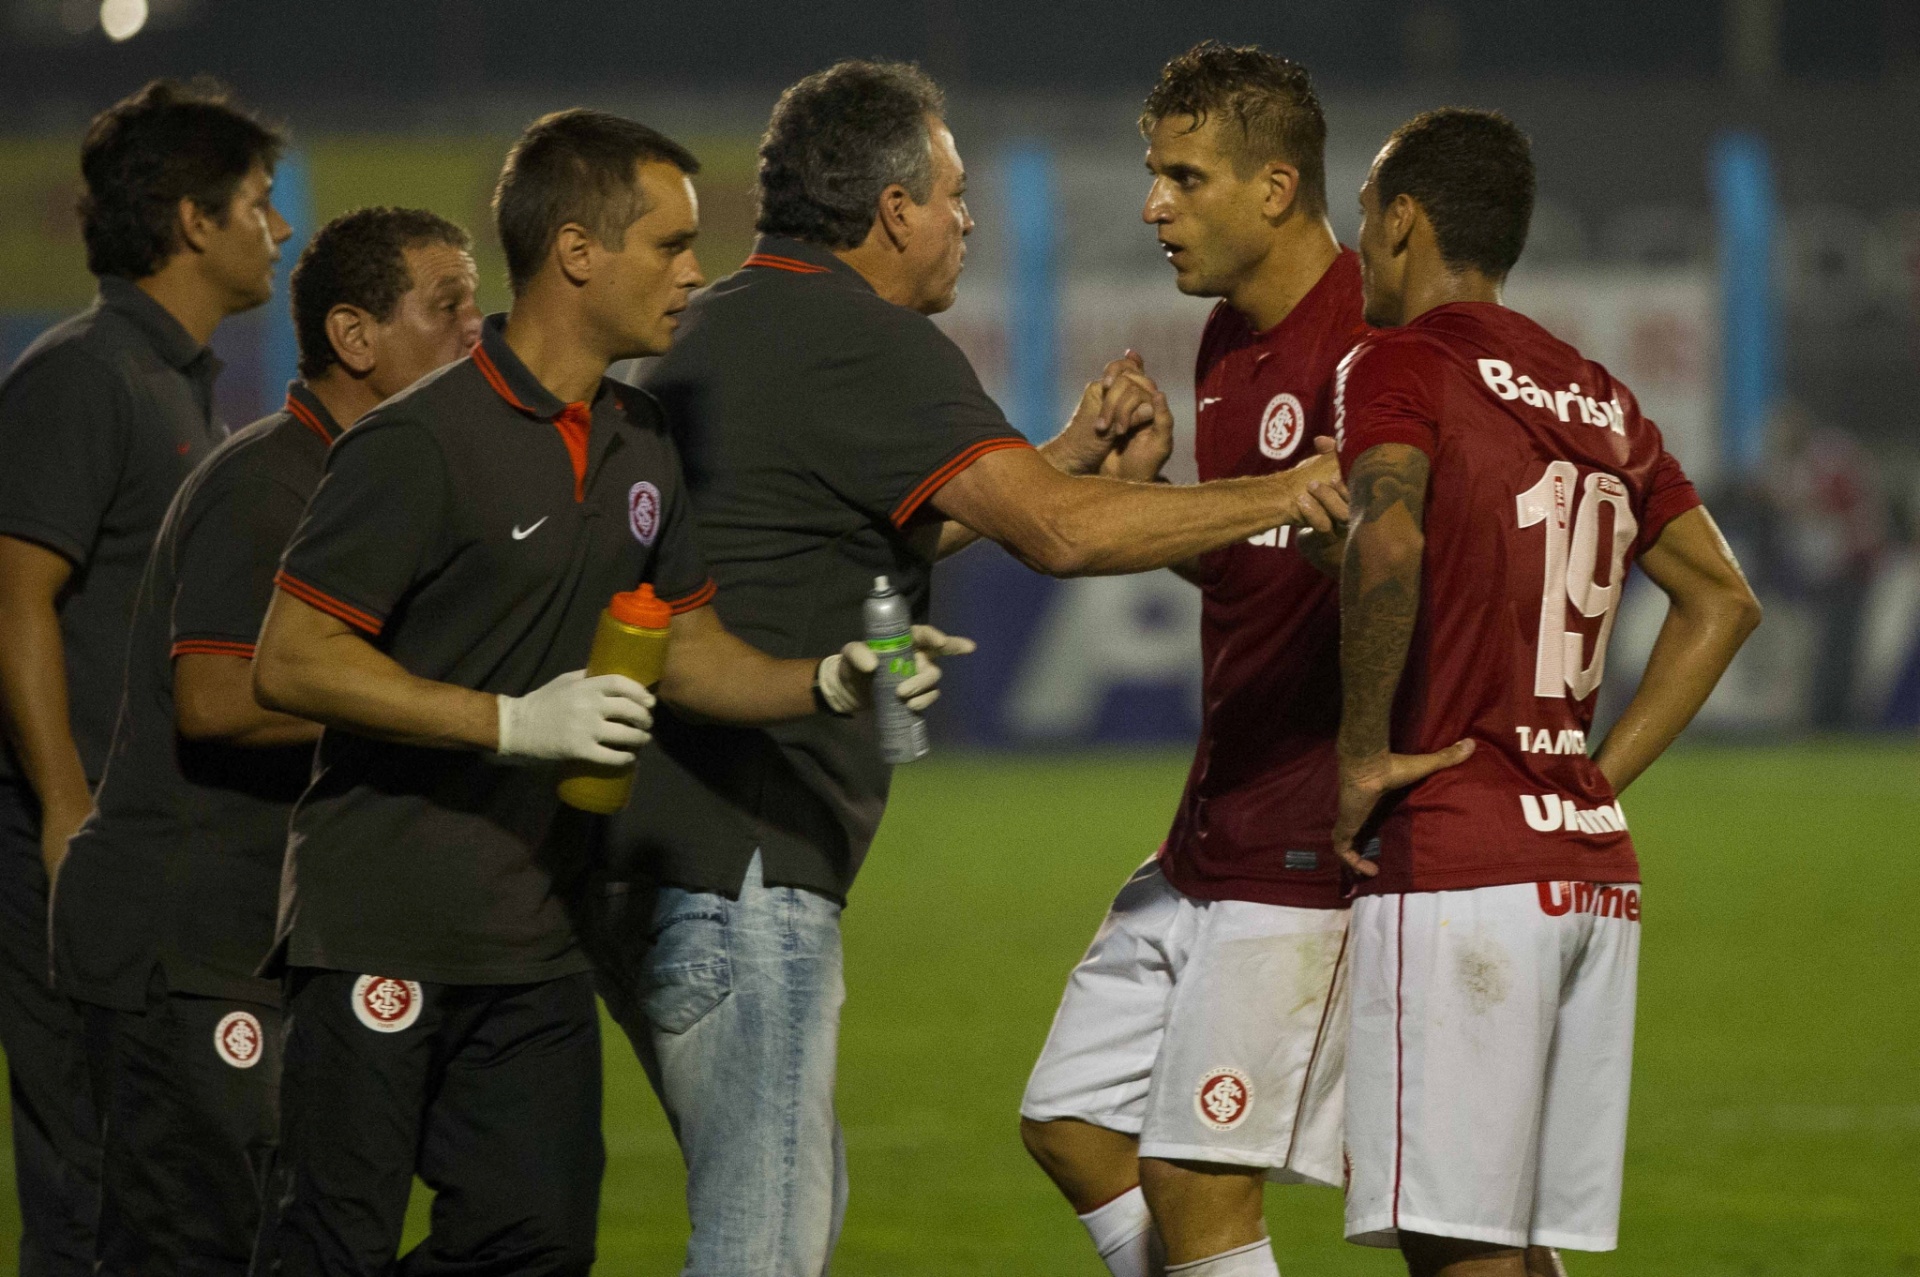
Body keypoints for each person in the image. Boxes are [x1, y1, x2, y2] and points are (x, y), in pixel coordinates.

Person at [603, 58, 1348, 1277]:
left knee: (860, 1187)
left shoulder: (731, 320)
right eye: (952, 194)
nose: (968, 219)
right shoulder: (861, 340)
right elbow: (1054, 531)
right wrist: (1283, 487)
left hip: (649, 846)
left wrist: (1065, 457)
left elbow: (872, 516)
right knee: (761, 1249)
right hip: (744, 860)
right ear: (895, 210)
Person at [248, 109, 946, 1276]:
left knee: (532, 1239)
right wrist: (512, 722)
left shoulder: (640, 437)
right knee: (333, 1247)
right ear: (577, 252)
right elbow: (294, 657)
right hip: (383, 914)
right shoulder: (419, 441)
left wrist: (826, 677)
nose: (694, 271)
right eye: (670, 245)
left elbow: (695, 646)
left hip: (533, 928)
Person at [1329, 108, 1761, 1277]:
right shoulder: (1603, 397)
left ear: (1405, 219)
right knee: (1518, 1241)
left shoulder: (1402, 363)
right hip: (1588, 873)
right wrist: (1583, 784)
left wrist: (1360, 753)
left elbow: (1385, 535)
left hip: (1462, 868)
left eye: (1364, 213)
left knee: (1459, 1248)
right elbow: (1724, 600)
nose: (1355, 237)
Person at [50, 206, 481, 1277]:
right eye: (449, 306)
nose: (479, 329)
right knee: (192, 1244)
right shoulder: (273, 484)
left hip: (259, 938)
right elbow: (217, 697)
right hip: (183, 938)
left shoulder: (373, 478)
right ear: (355, 336)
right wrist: (446, 706)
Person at [1019, 43, 1378, 1277]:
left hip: (1303, 842)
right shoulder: (1226, 344)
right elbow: (1251, 562)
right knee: (1070, 1124)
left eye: (1182, 176)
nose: (1151, 205)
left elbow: (1409, 575)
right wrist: (1160, 498)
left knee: (1195, 1174)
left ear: (1275, 188)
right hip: (1205, 833)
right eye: (1152, 173)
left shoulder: (1377, 345)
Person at [0, 79, 288, 1275]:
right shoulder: (83, 375)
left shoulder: (177, 381)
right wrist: (67, 810)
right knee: (88, 1181)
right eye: (261, 205)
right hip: (71, 850)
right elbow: (12, 597)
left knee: (163, 1181)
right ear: (191, 221)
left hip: (146, 854)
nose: (279, 229)